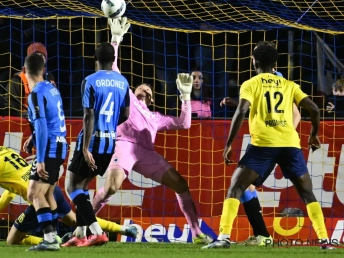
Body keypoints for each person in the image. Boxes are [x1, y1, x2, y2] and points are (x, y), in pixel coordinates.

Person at [89, 18, 212, 245]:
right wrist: (116, 39)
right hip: (124, 144)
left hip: (145, 153)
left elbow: (184, 123)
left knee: (181, 184)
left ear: (152, 98)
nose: (144, 88)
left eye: (148, 89)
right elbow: (113, 69)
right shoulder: (125, 96)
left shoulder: (156, 118)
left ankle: (196, 233)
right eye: (141, 87)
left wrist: (185, 96)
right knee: (112, 187)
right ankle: (83, 223)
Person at [204, 41, 330, 249]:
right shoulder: (289, 85)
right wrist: (314, 135)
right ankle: (325, 241)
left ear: (254, 61)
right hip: (290, 144)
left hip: (263, 145)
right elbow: (315, 109)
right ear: (275, 63)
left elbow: (242, 111)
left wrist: (228, 145)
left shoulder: (251, 84)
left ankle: (223, 237)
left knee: (236, 187)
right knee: (308, 194)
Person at [0, 128, 137, 243]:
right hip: (52, 188)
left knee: (11, 240)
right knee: (75, 221)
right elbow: (10, 193)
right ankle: (123, 230)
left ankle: (55, 242)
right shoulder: (5, 151)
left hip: (39, 198)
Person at [66, 18, 130, 248]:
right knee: (83, 187)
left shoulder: (90, 81)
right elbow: (125, 115)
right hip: (110, 142)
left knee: (72, 187)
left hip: (92, 141)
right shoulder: (123, 82)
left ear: (95, 59)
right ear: (114, 60)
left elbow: (88, 116)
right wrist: (110, 124)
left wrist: (84, 147)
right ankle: (80, 233)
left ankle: (96, 232)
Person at [220, 67, 301, 246]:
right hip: (265, 142)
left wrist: (284, 135)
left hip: (269, 143)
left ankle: (232, 236)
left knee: (239, 185)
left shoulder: (276, 82)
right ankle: (262, 235)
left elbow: (296, 113)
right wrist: (234, 101)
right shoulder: (267, 84)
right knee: (245, 186)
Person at [23, 52, 68, 251]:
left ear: (24, 72)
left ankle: (49, 238)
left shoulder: (34, 94)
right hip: (60, 144)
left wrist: (40, 158)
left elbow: (41, 124)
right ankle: (55, 236)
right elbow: (52, 118)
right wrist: (33, 137)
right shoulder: (52, 88)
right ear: (43, 70)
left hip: (49, 147)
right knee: (48, 192)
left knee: (34, 192)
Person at [5, 42, 56, 117]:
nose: (38, 60)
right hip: (23, 124)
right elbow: (9, 108)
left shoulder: (49, 80)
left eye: (42, 57)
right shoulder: (17, 80)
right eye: (35, 56)